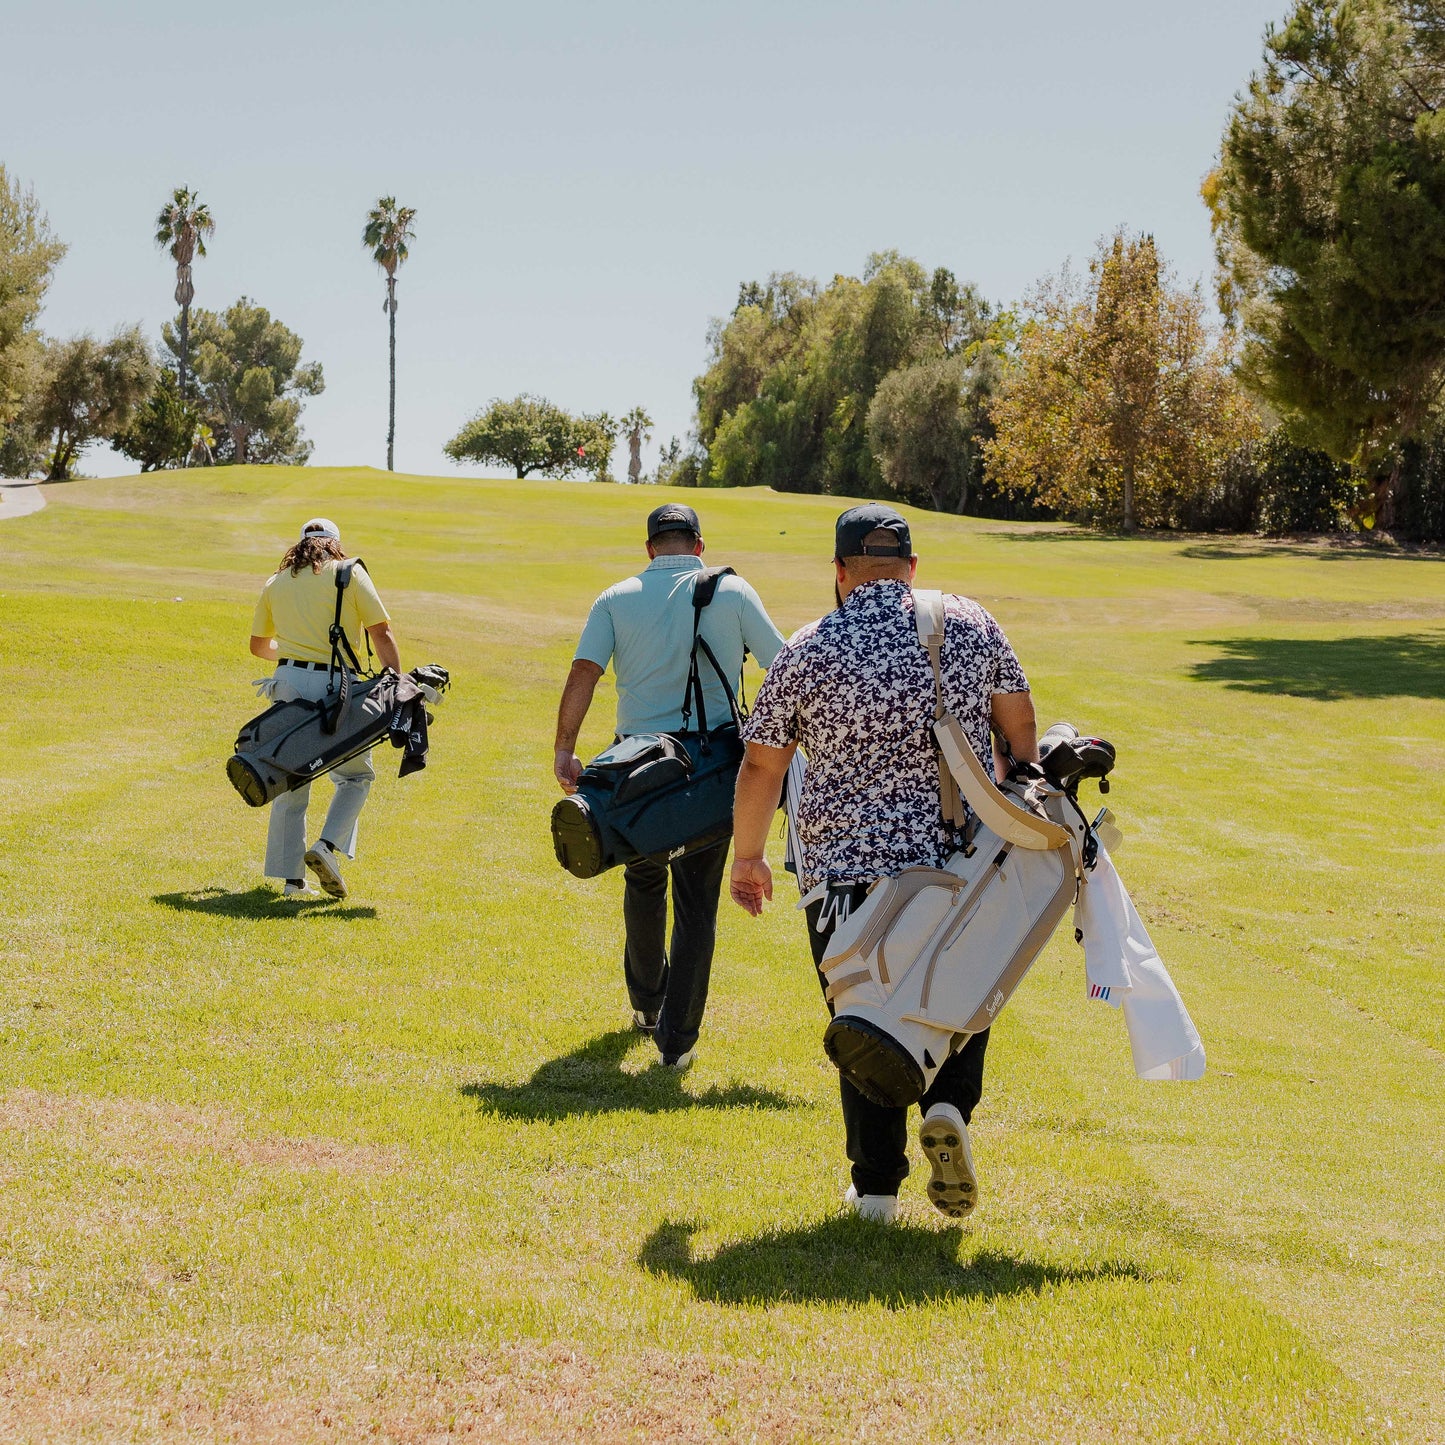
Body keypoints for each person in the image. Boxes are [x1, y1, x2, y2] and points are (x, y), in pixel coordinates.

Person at [728, 504, 1040, 1223]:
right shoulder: (968, 621)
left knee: (863, 1018)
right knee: (957, 990)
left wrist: (747, 857)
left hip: (844, 873)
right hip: (958, 858)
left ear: (839, 572)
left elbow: (759, 765)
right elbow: (1018, 721)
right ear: (911, 567)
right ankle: (949, 1105)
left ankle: (873, 1190)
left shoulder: (809, 646)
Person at [554, 503, 786, 1068]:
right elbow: (782, 666)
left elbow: (585, 671)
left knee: (643, 879)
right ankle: (677, 1044)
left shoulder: (615, 597)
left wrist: (565, 746)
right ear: (699, 545)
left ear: (650, 547)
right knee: (697, 904)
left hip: (632, 770)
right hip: (710, 772)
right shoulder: (732, 593)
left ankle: (645, 1004)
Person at [248, 518, 402, 900]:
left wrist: (292, 656)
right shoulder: (349, 574)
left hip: (286, 684)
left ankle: (291, 882)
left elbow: (258, 646)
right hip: (337, 689)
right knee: (355, 776)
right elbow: (380, 633)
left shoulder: (276, 582)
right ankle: (327, 847)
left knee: (289, 778)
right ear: (334, 544)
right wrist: (396, 683)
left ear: (300, 546)